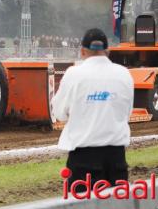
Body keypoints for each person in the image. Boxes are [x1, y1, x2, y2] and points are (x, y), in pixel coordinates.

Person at [52, 28, 134, 192]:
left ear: (82, 51)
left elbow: (59, 113)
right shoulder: (124, 74)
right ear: (108, 51)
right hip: (117, 158)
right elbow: (127, 113)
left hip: (84, 157)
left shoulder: (74, 74)